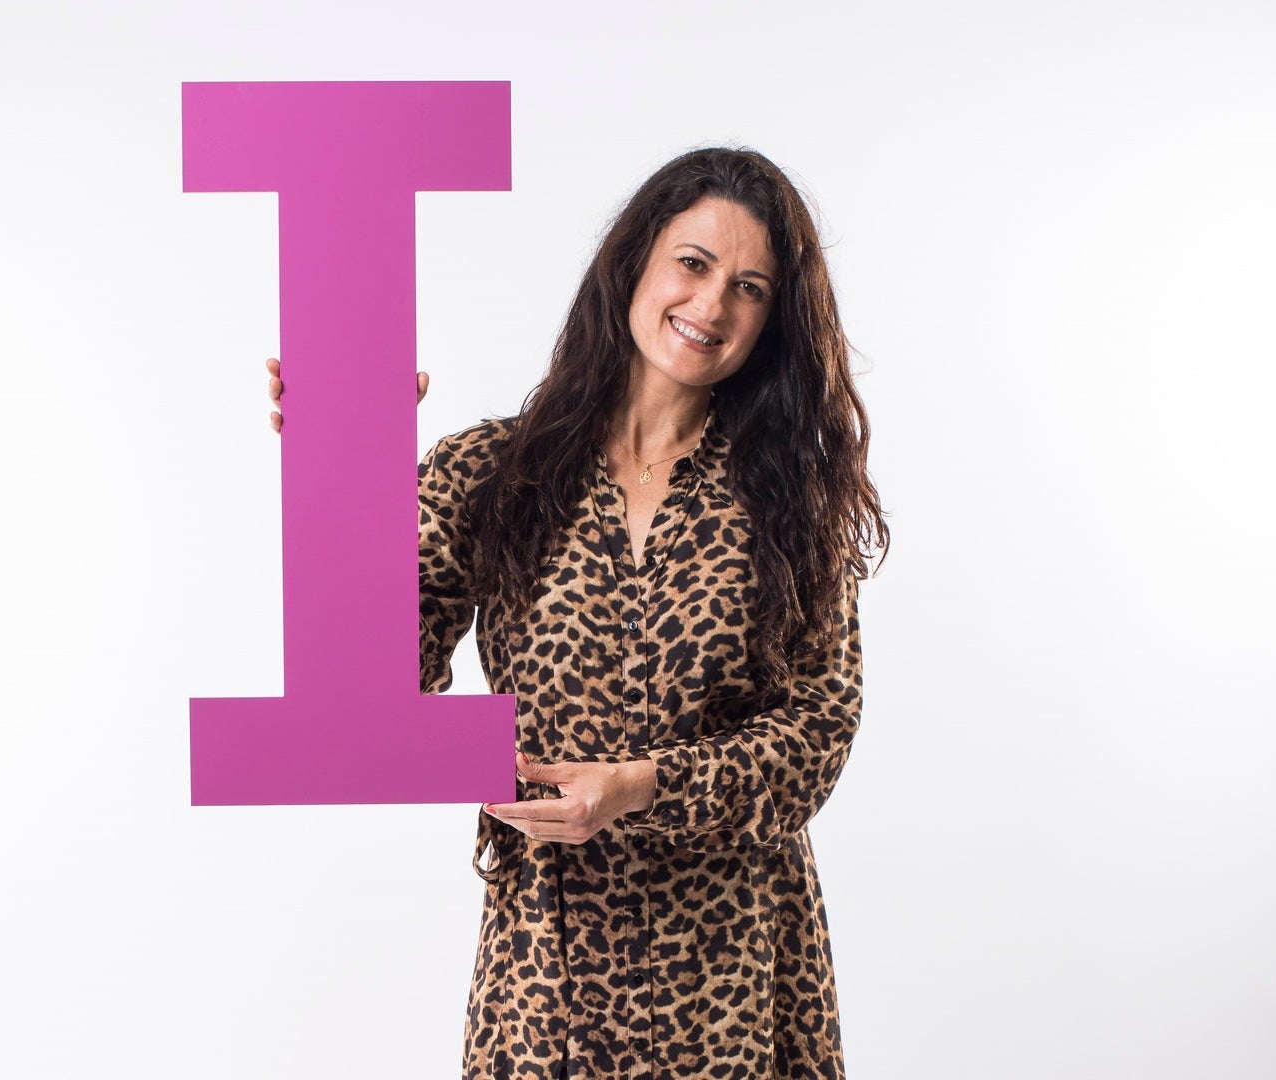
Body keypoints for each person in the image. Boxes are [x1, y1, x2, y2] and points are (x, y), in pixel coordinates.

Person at [268, 147, 887, 1080]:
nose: (711, 305)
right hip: (546, 971)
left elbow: (815, 734)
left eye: (749, 287)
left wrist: (641, 786)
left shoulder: (789, 498)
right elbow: (367, 686)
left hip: (731, 971)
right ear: (634, 262)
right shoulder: (492, 472)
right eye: (691, 263)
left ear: (773, 317)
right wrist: (345, 470)